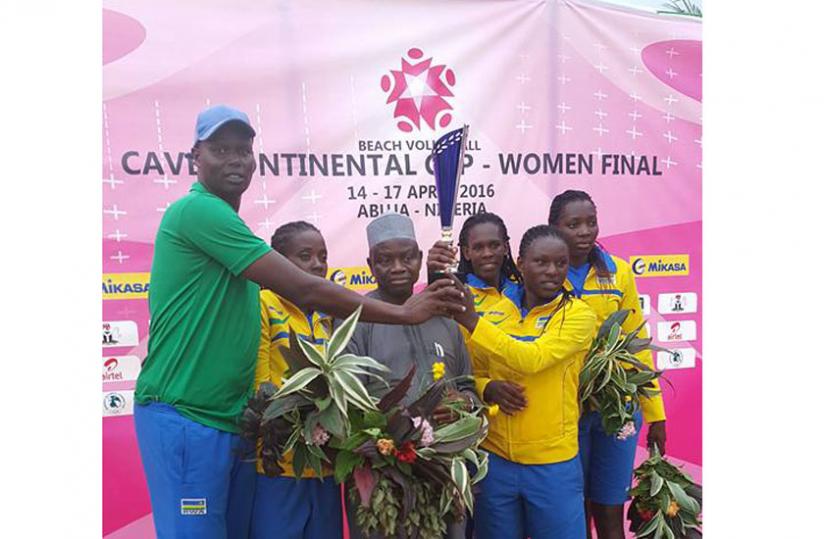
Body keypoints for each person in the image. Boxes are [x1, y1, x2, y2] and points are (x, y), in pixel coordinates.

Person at [133, 105, 464, 539]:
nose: (235, 159)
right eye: (220, 149)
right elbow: (304, 289)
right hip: (185, 417)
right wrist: (405, 312)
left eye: (243, 149)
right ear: (196, 155)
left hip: (226, 422)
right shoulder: (198, 213)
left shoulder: (229, 225)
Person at [451, 224, 596, 539]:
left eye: (560, 263)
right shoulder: (498, 312)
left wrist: (473, 321)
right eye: (541, 262)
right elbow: (466, 374)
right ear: (520, 263)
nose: (552, 271)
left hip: (553, 465)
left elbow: (532, 359)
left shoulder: (578, 315)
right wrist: (485, 388)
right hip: (495, 462)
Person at [344, 213, 479, 539]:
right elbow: (348, 405)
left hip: (442, 467)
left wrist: (462, 403)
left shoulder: (445, 317)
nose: (397, 267)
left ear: (420, 258)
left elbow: (468, 387)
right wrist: (403, 423)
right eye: (384, 260)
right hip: (382, 470)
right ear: (370, 264)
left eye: (407, 257)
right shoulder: (354, 319)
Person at [548, 190, 667, 539]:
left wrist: (656, 413)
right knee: (576, 504)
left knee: (611, 503)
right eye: (573, 224)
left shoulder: (619, 273)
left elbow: (637, 346)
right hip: (565, 409)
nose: (585, 231)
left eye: (591, 222)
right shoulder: (543, 271)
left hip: (616, 410)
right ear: (554, 227)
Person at [250, 221, 340, 539]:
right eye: (305, 255)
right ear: (279, 261)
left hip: (326, 467)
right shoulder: (263, 305)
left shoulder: (333, 314)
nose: (317, 264)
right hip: (277, 467)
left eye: (323, 256)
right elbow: (260, 385)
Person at [426, 212, 528, 417]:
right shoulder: (455, 294)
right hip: (471, 411)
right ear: (466, 252)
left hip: (522, 407)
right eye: (478, 247)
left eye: (494, 245)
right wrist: (484, 387)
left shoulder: (525, 290)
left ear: (506, 248)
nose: (488, 253)